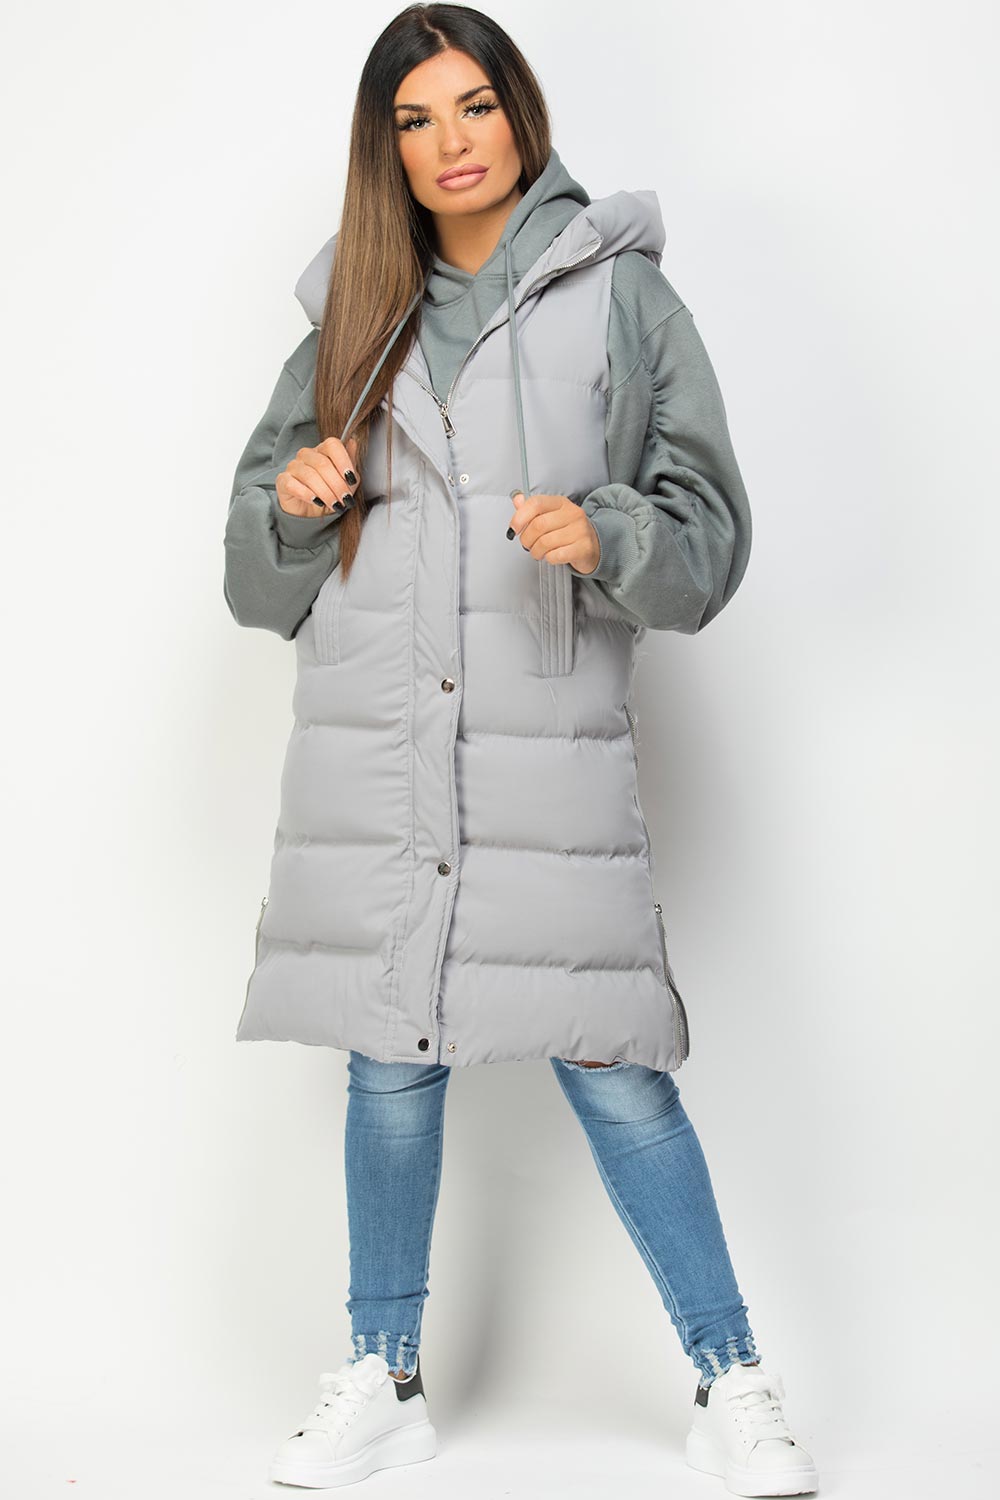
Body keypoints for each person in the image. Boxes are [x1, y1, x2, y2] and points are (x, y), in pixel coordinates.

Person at [223, 5, 819, 1494]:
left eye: (473, 106)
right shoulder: (350, 314)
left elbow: (709, 538)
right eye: (414, 120)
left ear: (521, 111)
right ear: (385, 149)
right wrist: (293, 506)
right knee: (388, 1066)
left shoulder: (625, 299)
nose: (451, 144)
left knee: (615, 1068)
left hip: (544, 759)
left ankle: (732, 1378)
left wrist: (607, 534)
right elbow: (254, 577)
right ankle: (384, 1379)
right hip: (377, 755)